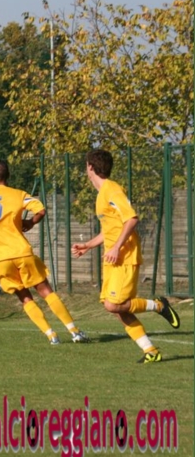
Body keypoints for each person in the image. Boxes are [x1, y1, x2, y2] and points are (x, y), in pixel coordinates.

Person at [0, 160, 88, 345]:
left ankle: (51, 335)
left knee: (25, 297)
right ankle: (74, 332)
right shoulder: (18, 194)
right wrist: (31, 222)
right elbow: (41, 210)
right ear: (8, 176)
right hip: (21, 252)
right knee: (46, 291)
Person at [72, 149, 179, 363]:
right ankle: (151, 351)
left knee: (114, 304)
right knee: (117, 309)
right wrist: (88, 245)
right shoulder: (102, 194)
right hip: (113, 258)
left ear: (90, 167)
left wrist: (116, 248)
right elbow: (111, 229)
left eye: (86, 165)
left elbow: (131, 219)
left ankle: (158, 305)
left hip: (125, 255)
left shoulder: (112, 190)